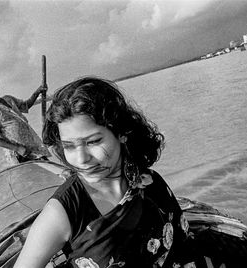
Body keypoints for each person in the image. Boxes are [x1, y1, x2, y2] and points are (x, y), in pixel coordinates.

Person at [14, 77, 194, 268]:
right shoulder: (63, 212)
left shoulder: (150, 182)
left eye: (93, 142)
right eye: (69, 146)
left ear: (122, 133)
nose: (81, 159)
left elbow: (184, 245)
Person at [0, 75, 50, 165]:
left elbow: (25, 105)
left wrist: (37, 92)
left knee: (48, 169)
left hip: (32, 145)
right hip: (18, 154)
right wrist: (17, 148)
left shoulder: (8, 99)